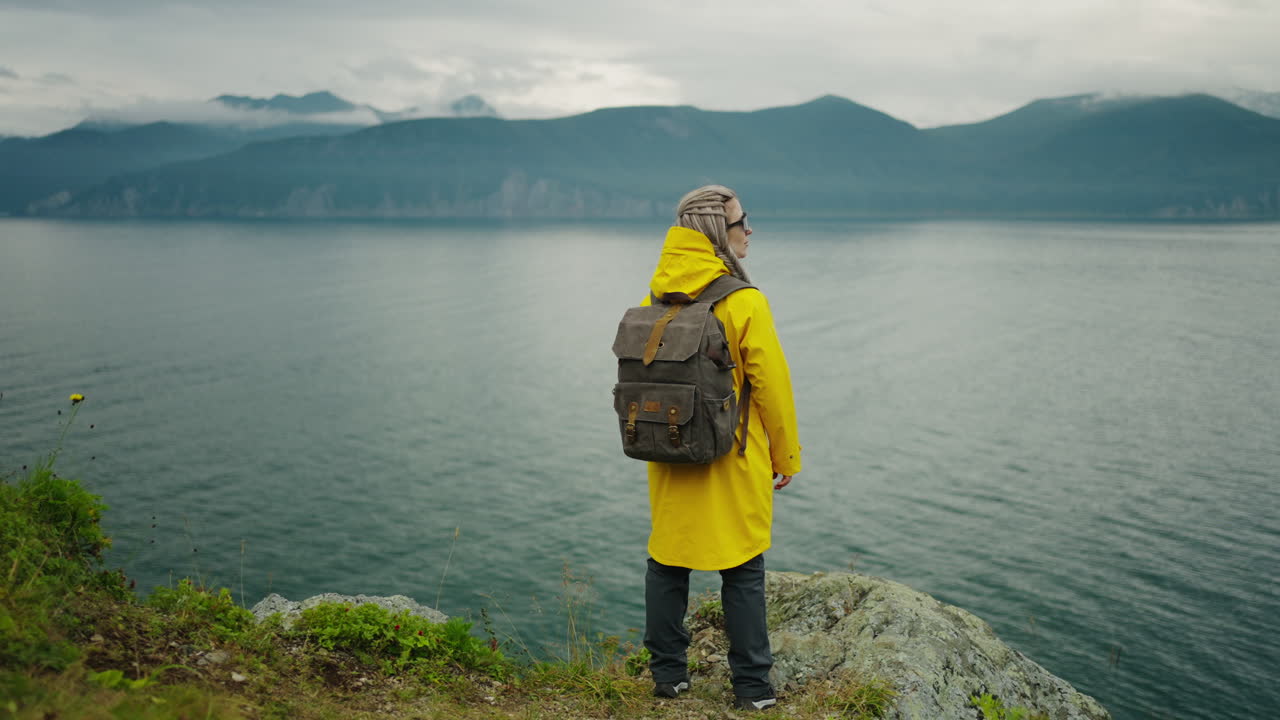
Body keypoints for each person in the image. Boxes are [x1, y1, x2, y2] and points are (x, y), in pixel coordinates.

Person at [641, 185, 802, 712]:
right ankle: (753, 688)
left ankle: (668, 677)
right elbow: (772, 388)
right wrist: (786, 457)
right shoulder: (743, 300)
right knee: (743, 569)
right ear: (717, 231)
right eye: (742, 221)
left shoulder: (656, 296)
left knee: (668, 564)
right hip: (732, 454)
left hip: (670, 449)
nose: (749, 230)